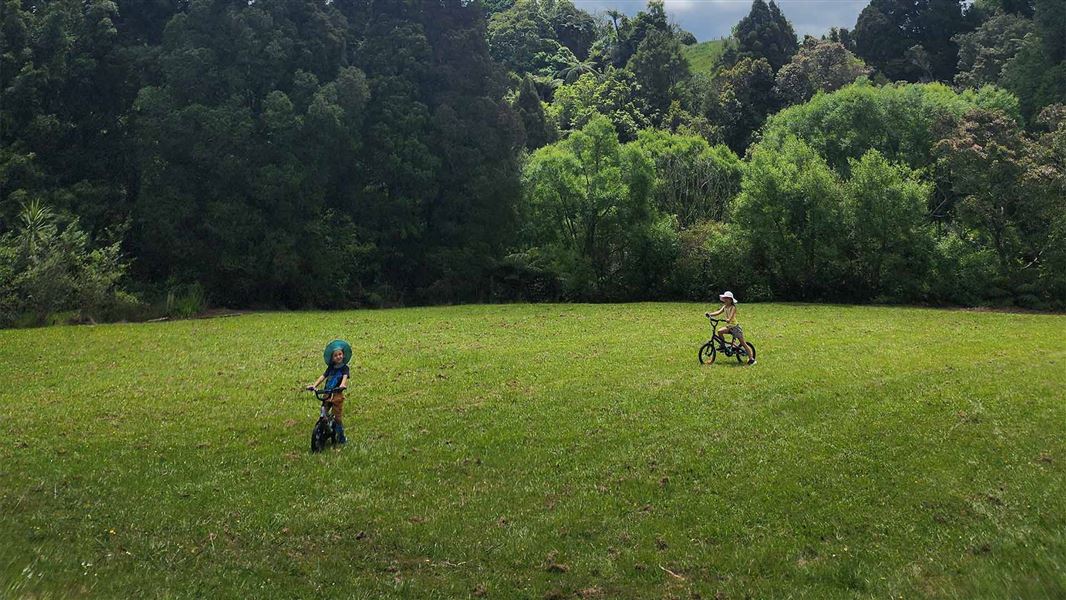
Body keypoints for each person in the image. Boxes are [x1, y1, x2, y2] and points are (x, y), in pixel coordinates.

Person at [307, 339, 351, 444]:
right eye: (336, 355)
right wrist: (314, 385)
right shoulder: (330, 368)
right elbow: (323, 376)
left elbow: (345, 377)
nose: (338, 357)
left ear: (343, 355)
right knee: (324, 412)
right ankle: (324, 429)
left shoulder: (345, 368)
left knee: (337, 417)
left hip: (337, 394)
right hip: (327, 393)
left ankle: (341, 437)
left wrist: (342, 384)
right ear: (332, 358)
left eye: (340, 354)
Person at [705, 291, 756, 365]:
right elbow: (718, 312)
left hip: (735, 327)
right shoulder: (725, 307)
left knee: (743, 343)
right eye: (725, 298)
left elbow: (731, 316)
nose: (725, 300)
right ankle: (722, 345)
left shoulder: (733, 307)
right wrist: (710, 314)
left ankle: (751, 359)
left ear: (731, 300)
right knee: (719, 331)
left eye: (727, 299)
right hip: (729, 327)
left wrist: (728, 319)